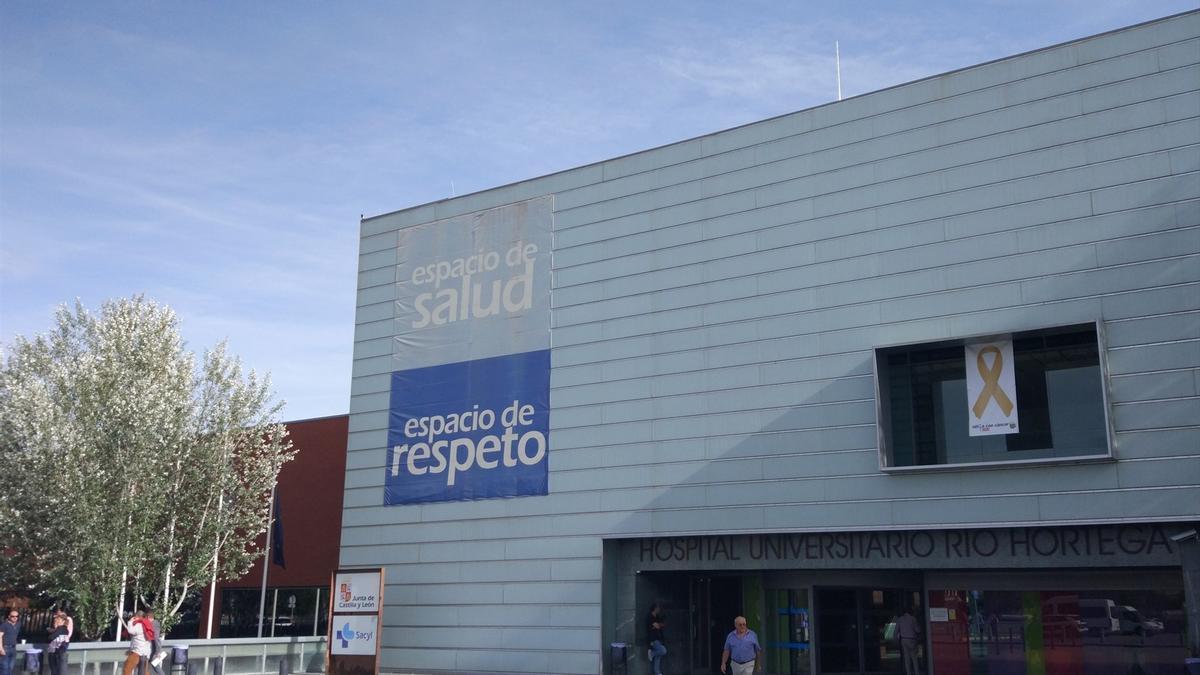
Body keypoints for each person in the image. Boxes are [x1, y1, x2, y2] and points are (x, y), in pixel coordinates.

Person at [117, 609, 151, 675]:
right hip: (145, 653)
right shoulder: (146, 625)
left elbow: (130, 631)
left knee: (127, 669)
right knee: (144, 671)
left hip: (137, 652)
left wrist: (130, 621)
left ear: (136, 616)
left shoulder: (139, 625)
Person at [896, 607, 922, 675]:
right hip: (912, 640)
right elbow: (918, 630)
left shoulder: (900, 619)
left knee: (907, 659)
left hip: (904, 640)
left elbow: (896, 631)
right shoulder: (913, 619)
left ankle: (908, 673)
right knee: (914, 658)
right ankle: (917, 673)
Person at [645, 603, 666, 675]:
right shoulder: (649, 617)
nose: (659, 609)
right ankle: (652, 653)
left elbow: (662, 625)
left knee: (658, 656)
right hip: (653, 639)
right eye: (658, 608)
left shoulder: (657, 617)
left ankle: (657, 672)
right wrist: (658, 625)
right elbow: (657, 626)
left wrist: (659, 625)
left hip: (659, 638)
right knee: (663, 651)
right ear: (655, 608)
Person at [145, 610, 166, 675]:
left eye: (146, 618)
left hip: (153, 650)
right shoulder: (154, 624)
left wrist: (157, 652)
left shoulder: (154, 624)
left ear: (148, 617)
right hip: (152, 649)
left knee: (155, 665)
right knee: (151, 666)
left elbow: (156, 638)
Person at [0, 609, 20, 675]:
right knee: (4, 668)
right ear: (9, 616)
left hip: (13, 648)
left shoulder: (18, 624)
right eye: (13, 616)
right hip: (5, 648)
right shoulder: (4, 625)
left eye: (16, 616)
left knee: (10, 668)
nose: (15, 618)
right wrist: (1, 649)